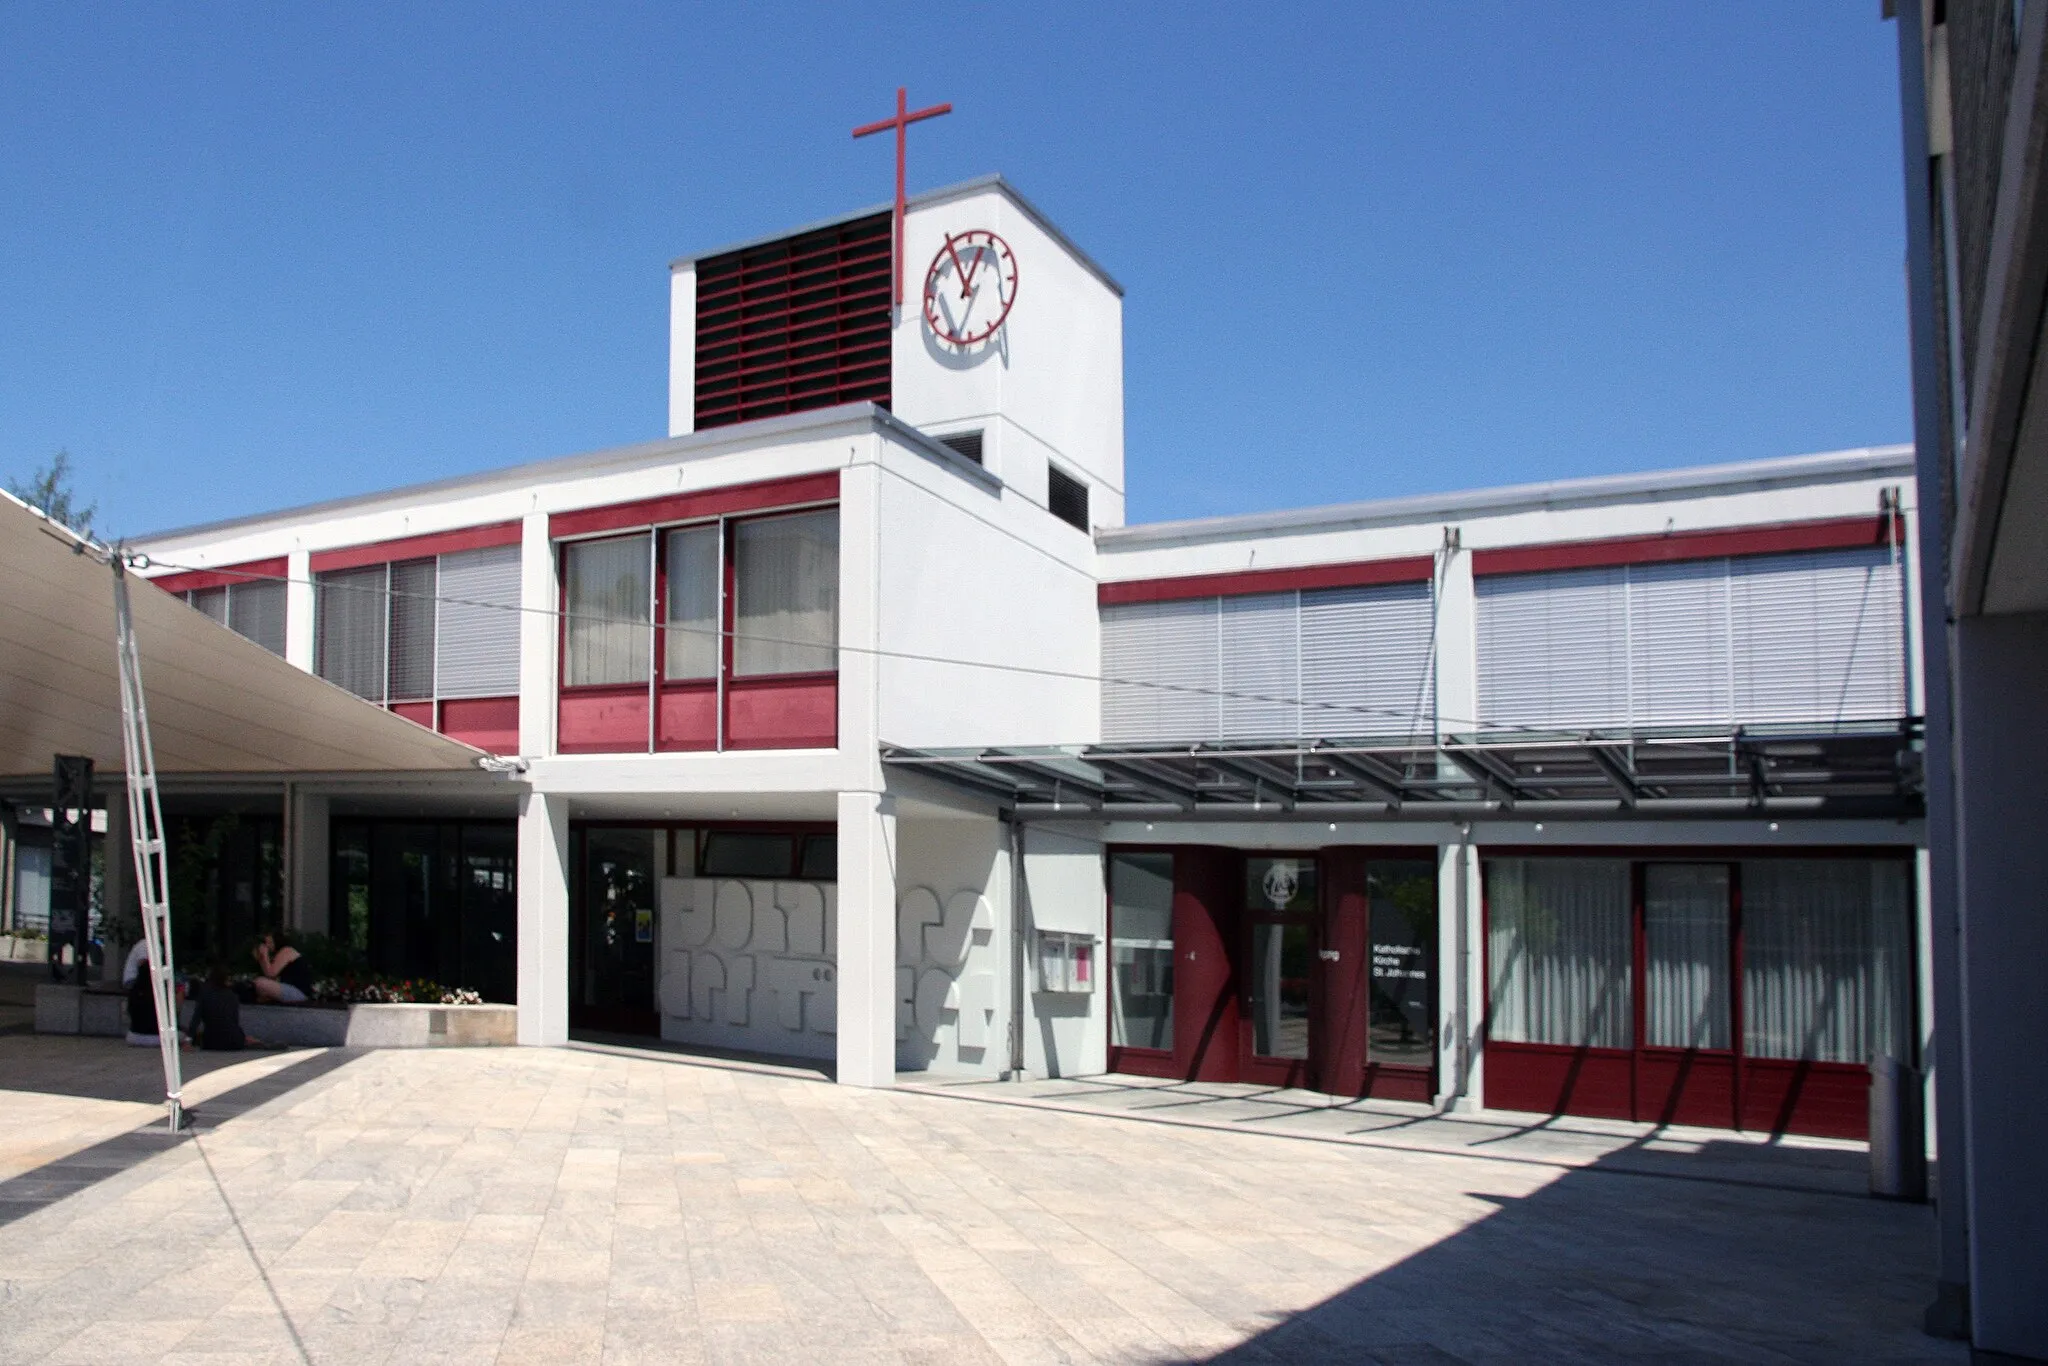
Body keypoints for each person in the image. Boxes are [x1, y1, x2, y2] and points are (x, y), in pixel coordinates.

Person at [189, 965, 248, 1051]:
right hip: (234, 1041)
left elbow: (196, 1019)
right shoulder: (232, 996)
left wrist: (189, 1039)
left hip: (212, 1041)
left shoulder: (205, 995)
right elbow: (234, 1020)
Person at [252, 930, 313, 1004]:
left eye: (270, 942)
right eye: (266, 943)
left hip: (298, 992)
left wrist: (265, 955)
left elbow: (271, 973)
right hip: (290, 989)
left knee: (260, 982)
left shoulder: (286, 951)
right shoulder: (279, 953)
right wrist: (261, 958)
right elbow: (269, 976)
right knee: (259, 985)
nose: (268, 945)